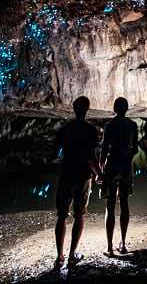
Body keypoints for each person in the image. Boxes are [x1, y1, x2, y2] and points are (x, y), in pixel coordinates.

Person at [52, 96, 101, 269]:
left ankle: (59, 257)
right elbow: (91, 156)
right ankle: (72, 255)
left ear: (73, 108)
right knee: (79, 214)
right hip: (82, 176)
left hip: (66, 174)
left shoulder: (65, 129)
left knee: (62, 215)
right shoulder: (91, 131)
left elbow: (54, 153)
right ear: (87, 109)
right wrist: (99, 174)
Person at [100, 96, 139, 255]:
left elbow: (104, 149)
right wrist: (128, 158)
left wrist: (101, 168)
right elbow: (135, 148)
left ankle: (109, 248)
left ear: (115, 109)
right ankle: (123, 244)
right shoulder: (132, 125)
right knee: (124, 203)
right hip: (125, 167)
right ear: (126, 109)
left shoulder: (110, 125)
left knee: (110, 205)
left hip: (112, 166)